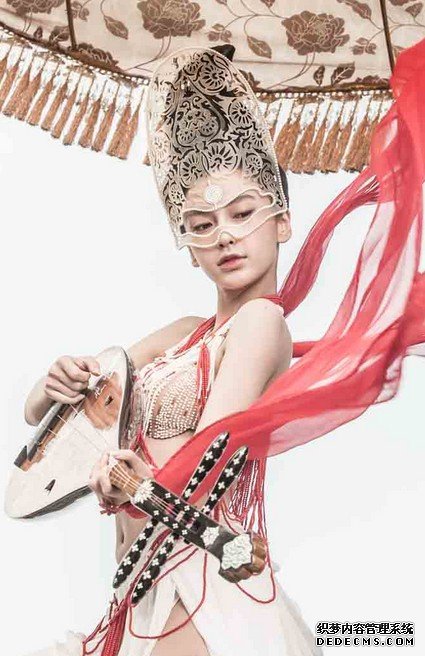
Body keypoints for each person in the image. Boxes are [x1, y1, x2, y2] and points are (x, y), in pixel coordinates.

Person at [21, 36, 425, 655]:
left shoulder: (261, 322)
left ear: (282, 221)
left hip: (202, 578)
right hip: (137, 586)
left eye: (242, 214)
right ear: (187, 245)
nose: (225, 237)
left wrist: (130, 481)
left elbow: (206, 456)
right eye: (203, 226)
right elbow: (45, 417)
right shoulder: (181, 333)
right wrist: (56, 381)